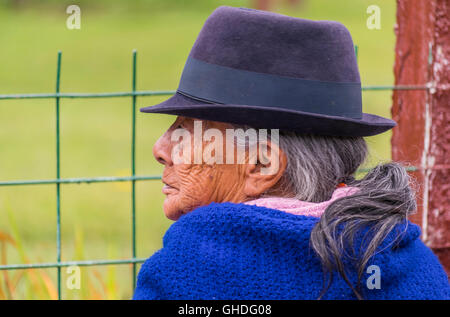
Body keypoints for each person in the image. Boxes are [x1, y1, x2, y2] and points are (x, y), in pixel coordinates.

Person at [133, 6, 450, 300]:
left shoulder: (188, 271)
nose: (160, 149)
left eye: (187, 130)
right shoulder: (414, 266)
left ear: (261, 164)